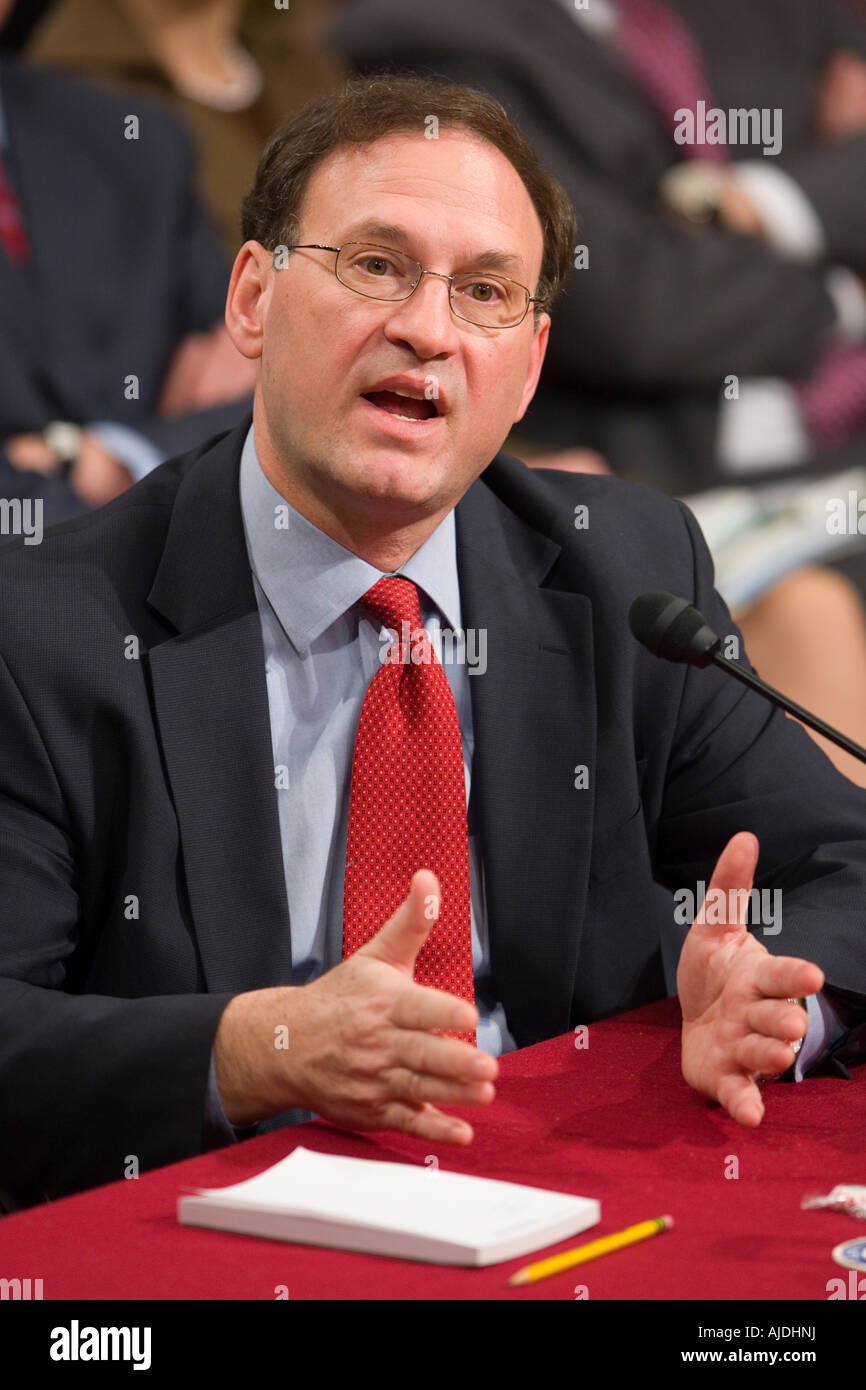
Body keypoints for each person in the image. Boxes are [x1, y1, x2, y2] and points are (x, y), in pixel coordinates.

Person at [2, 74, 866, 1211]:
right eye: (375, 265)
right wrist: (255, 1048)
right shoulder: (46, 627)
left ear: (531, 366)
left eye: (485, 292)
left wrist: (769, 997)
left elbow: (843, 864)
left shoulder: (622, 575)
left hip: (557, 1202)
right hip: (223, 1221)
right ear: (254, 297)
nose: (426, 329)